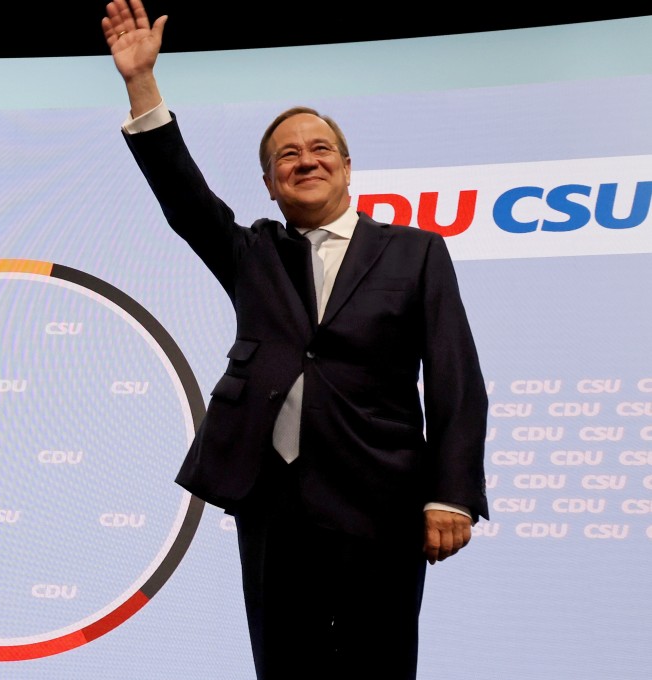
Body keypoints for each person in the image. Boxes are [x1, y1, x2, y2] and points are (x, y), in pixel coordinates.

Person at [102, 2, 489, 678]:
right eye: (287, 156)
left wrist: (451, 494)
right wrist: (141, 84)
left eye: (319, 150)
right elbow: (184, 196)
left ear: (345, 166)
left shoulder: (416, 252)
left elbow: (457, 379)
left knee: (379, 664)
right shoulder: (253, 251)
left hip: (382, 500)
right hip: (273, 503)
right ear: (269, 183)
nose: (305, 161)